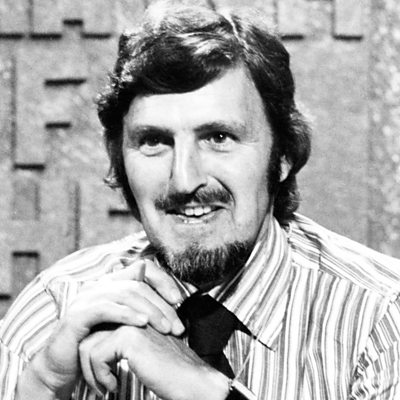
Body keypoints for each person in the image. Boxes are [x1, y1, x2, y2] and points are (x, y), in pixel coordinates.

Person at [1, 2, 400, 400]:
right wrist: (44, 385)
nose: (185, 179)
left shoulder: (381, 320)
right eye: (154, 141)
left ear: (282, 155)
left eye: (218, 138)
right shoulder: (56, 308)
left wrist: (204, 389)